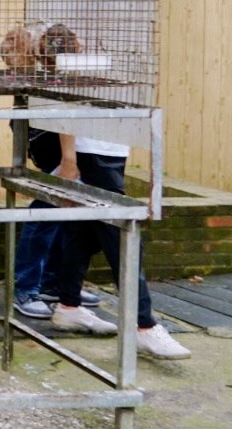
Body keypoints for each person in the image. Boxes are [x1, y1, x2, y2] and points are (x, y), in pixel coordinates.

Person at [32, 130, 191, 360]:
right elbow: (69, 102)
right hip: (90, 151)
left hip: (110, 150)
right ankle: (143, 324)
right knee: (121, 238)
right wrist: (69, 159)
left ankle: (68, 305)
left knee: (84, 233)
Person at [12, 126, 101, 318]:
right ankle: (26, 287)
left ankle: (53, 283)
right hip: (56, 138)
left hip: (76, 142)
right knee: (46, 211)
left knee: (63, 212)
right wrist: (68, 158)